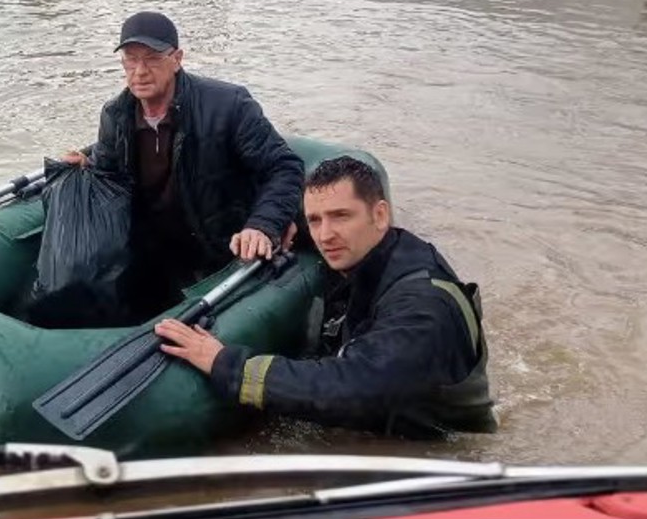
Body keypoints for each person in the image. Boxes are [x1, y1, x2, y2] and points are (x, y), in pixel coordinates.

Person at [154, 156, 497, 438]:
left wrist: (228, 365)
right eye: (314, 220)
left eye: (341, 216)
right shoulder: (370, 251)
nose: (325, 235)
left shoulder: (422, 307)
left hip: (441, 451)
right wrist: (271, 224)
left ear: (380, 214)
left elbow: (352, 388)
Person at [64, 11, 306, 320]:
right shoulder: (115, 115)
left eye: (151, 58)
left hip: (220, 247)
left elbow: (284, 167)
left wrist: (263, 224)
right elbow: (110, 178)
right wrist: (88, 167)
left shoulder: (229, 105)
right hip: (156, 248)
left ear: (177, 58)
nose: (139, 71)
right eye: (130, 59)